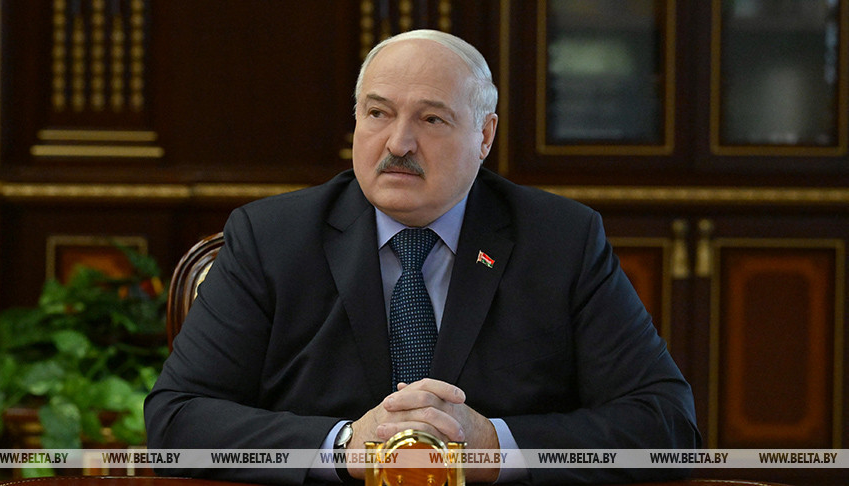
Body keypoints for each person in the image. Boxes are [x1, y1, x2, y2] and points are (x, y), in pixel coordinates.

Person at [144, 29, 700, 485]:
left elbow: (666, 424)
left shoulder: (560, 240)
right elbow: (177, 418)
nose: (398, 143)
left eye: (431, 119)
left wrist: (494, 446)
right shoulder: (271, 238)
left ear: (484, 136)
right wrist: (342, 447)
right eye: (378, 113)